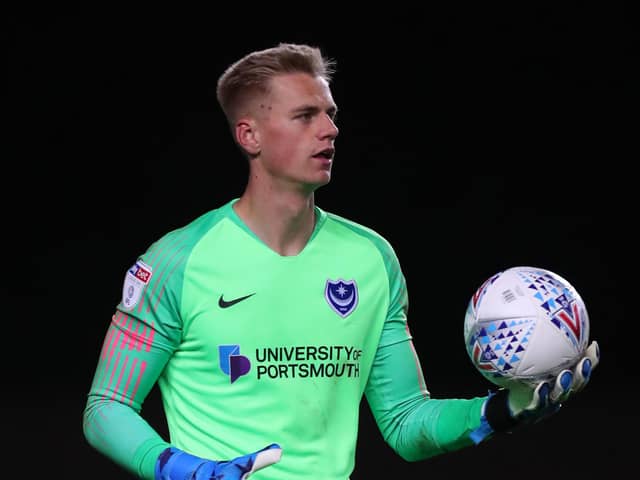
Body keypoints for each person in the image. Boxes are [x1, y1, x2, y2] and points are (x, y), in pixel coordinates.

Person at [82, 42, 600, 480]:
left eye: (330, 114)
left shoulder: (370, 258)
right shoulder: (178, 261)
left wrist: (501, 409)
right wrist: (182, 468)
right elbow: (106, 407)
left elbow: (405, 422)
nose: (330, 129)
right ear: (249, 136)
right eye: (306, 115)